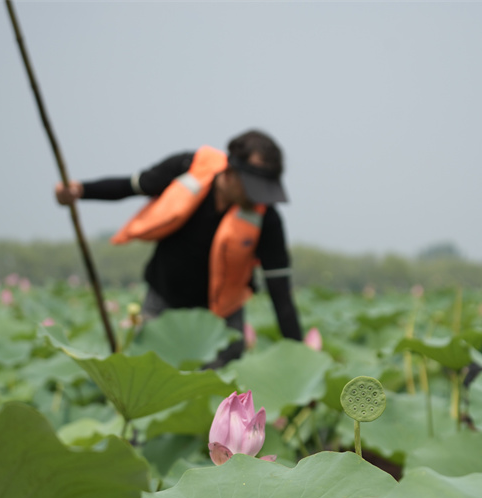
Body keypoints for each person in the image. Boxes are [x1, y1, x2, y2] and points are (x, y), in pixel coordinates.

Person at [54, 130, 303, 367]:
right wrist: (80, 191)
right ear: (231, 169)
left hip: (221, 316)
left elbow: (280, 295)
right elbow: (131, 186)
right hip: (164, 299)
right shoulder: (186, 168)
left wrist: (300, 362)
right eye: (254, 187)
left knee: (221, 391)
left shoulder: (266, 218)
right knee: (150, 378)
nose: (258, 198)